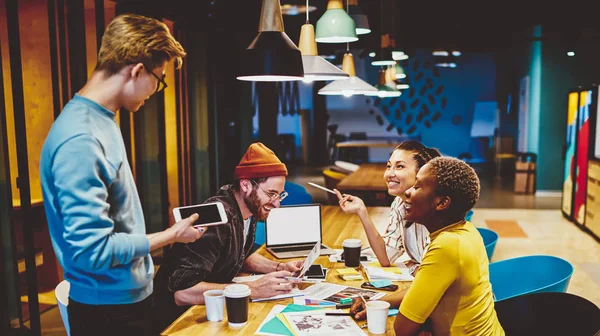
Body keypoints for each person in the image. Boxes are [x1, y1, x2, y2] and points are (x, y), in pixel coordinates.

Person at [39, 14, 203, 336]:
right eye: (160, 79)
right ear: (137, 70)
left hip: (125, 301)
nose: (157, 90)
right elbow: (92, 252)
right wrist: (170, 236)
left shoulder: (102, 120)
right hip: (108, 313)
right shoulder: (81, 138)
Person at [152, 142, 304, 332]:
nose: (276, 205)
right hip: (178, 322)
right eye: (271, 194)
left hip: (211, 310)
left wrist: (280, 267)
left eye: (280, 196)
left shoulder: (249, 209)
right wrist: (253, 289)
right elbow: (182, 293)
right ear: (246, 184)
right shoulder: (218, 219)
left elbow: (242, 255)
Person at [350, 157, 504, 336]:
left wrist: (422, 324)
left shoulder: (447, 246)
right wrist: (377, 301)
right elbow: (422, 289)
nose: (408, 192)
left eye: (417, 187)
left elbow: (402, 328)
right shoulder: (466, 230)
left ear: (441, 203)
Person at [335, 141, 441, 272]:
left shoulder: (435, 210)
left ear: (421, 173)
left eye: (400, 166)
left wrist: (413, 266)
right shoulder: (399, 203)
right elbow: (385, 258)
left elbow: (430, 271)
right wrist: (361, 211)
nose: (389, 174)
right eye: (389, 166)